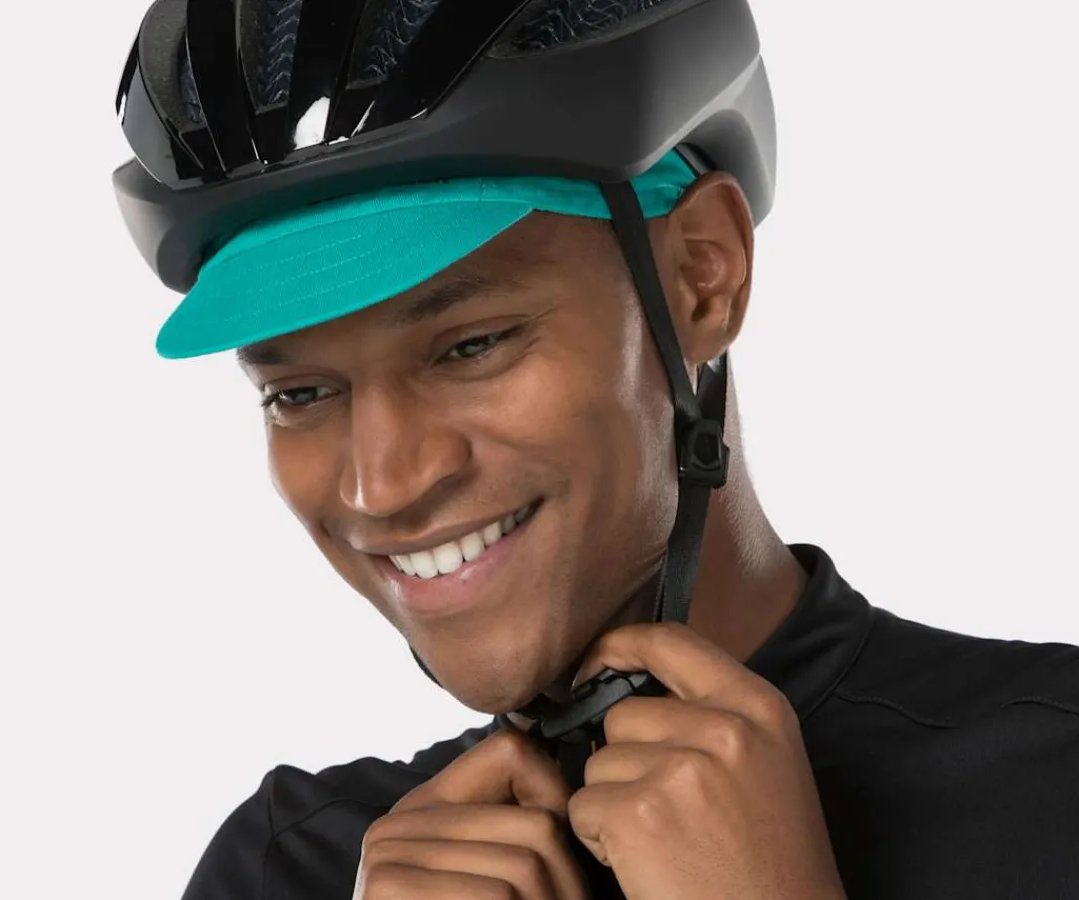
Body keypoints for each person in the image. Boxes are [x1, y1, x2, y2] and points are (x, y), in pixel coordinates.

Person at [111, 0, 1079, 897]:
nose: (383, 484)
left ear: (702, 278)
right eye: (299, 394)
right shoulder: (290, 871)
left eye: (471, 346)